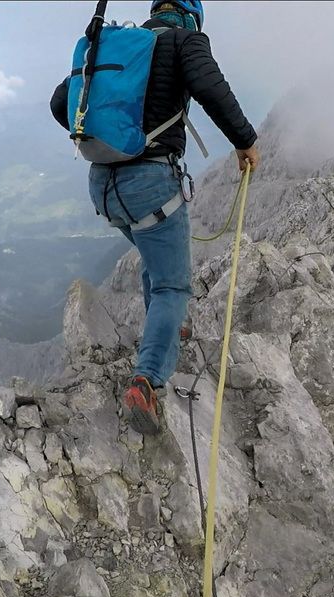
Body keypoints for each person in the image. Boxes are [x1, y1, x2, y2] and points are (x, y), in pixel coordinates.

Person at [50, 0, 260, 435]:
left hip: (103, 187)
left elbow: (60, 102)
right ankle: (146, 383)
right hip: (150, 186)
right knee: (172, 284)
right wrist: (246, 142)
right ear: (190, 15)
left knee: (153, 254)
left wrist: (105, 139)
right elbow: (213, 89)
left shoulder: (115, 46)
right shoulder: (185, 41)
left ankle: (169, 330)